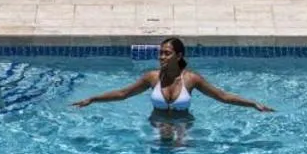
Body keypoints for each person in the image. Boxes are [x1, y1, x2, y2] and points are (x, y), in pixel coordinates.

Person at [72, 37, 275, 114]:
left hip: (183, 129)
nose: (161, 57)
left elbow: (222, 97)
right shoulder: (152, 78)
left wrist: (253, 104)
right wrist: (93, 98)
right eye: (160, 53)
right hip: (156, 127)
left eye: (166, 53)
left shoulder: (191, 79)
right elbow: (123, 93)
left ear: (179, 56)